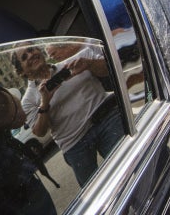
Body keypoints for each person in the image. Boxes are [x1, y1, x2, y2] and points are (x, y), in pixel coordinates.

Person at [12, 41, 123, 187]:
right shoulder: (28, 100)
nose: (31, 55)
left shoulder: (75, 62)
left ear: (39, 50)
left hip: (106, 120)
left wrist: (89, 64)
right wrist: (45, 103)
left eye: (31, 49)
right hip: (74, 145)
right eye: (24, 57)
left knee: (127, 166)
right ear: (21, 72)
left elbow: (111, 68)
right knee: (95, 189)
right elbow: (40, 131)